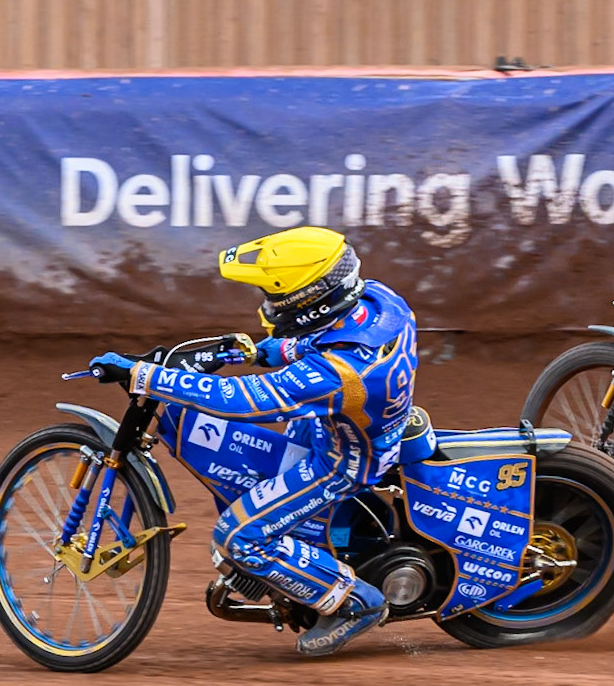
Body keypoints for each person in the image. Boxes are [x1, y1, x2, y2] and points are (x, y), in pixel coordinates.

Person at [89, 226, 417, 655]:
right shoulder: (378, 300)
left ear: (308, 302)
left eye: (276, 298)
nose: (268, 306)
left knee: (237, 538)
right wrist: (249, 352)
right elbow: (317, 342)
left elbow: (240, 401)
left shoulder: (341, 372)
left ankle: (354, 603)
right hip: (345, 424)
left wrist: (145, 376)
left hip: (342, 463)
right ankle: (302, 558)